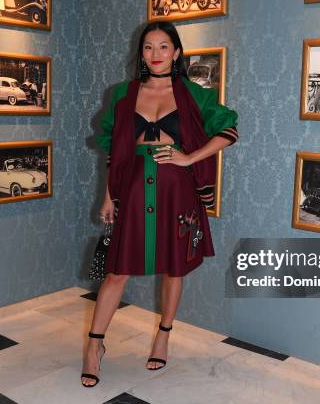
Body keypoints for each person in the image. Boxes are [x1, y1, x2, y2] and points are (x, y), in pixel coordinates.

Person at [81, 21, 239, 388]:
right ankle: (94, 347)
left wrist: (189, 157)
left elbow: (229, 131)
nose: (155, 54)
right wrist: (109, 194)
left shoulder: (193, 94)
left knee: (174, 268)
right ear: (141, 53)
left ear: (177, 52)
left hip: (176, 191)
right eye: (148, 47)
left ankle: (163, 335)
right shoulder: (123, 93)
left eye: (163, 46)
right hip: (133, 189)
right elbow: (115, 150)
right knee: (117, 271)